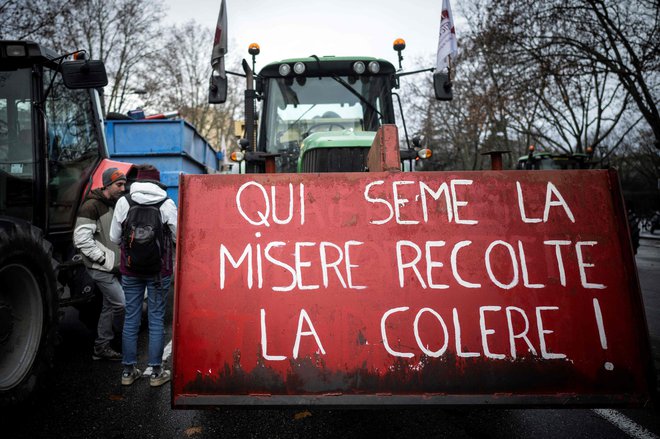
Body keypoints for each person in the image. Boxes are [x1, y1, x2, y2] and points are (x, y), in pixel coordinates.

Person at [109, 176, 177, 387]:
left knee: (132, 317)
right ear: (158, 184)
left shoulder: (124, 202)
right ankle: (157, 373)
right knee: (156, 319)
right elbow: (177, 236)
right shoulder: (166, 203)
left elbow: (113, 237)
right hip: (159, 270)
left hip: (130, 269)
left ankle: (128, 371)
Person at [73, 167, 127, 361]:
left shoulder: (112, 203)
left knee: (109, 307)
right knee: (121, 304)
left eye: (124, 184)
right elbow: (81, 239)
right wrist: (103, 259)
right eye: (119, 184)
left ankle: (102, 346)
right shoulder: (91, 206)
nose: (123, 188)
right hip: (100, 268)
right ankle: (124, 339)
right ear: (107, 184)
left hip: (112, 266)